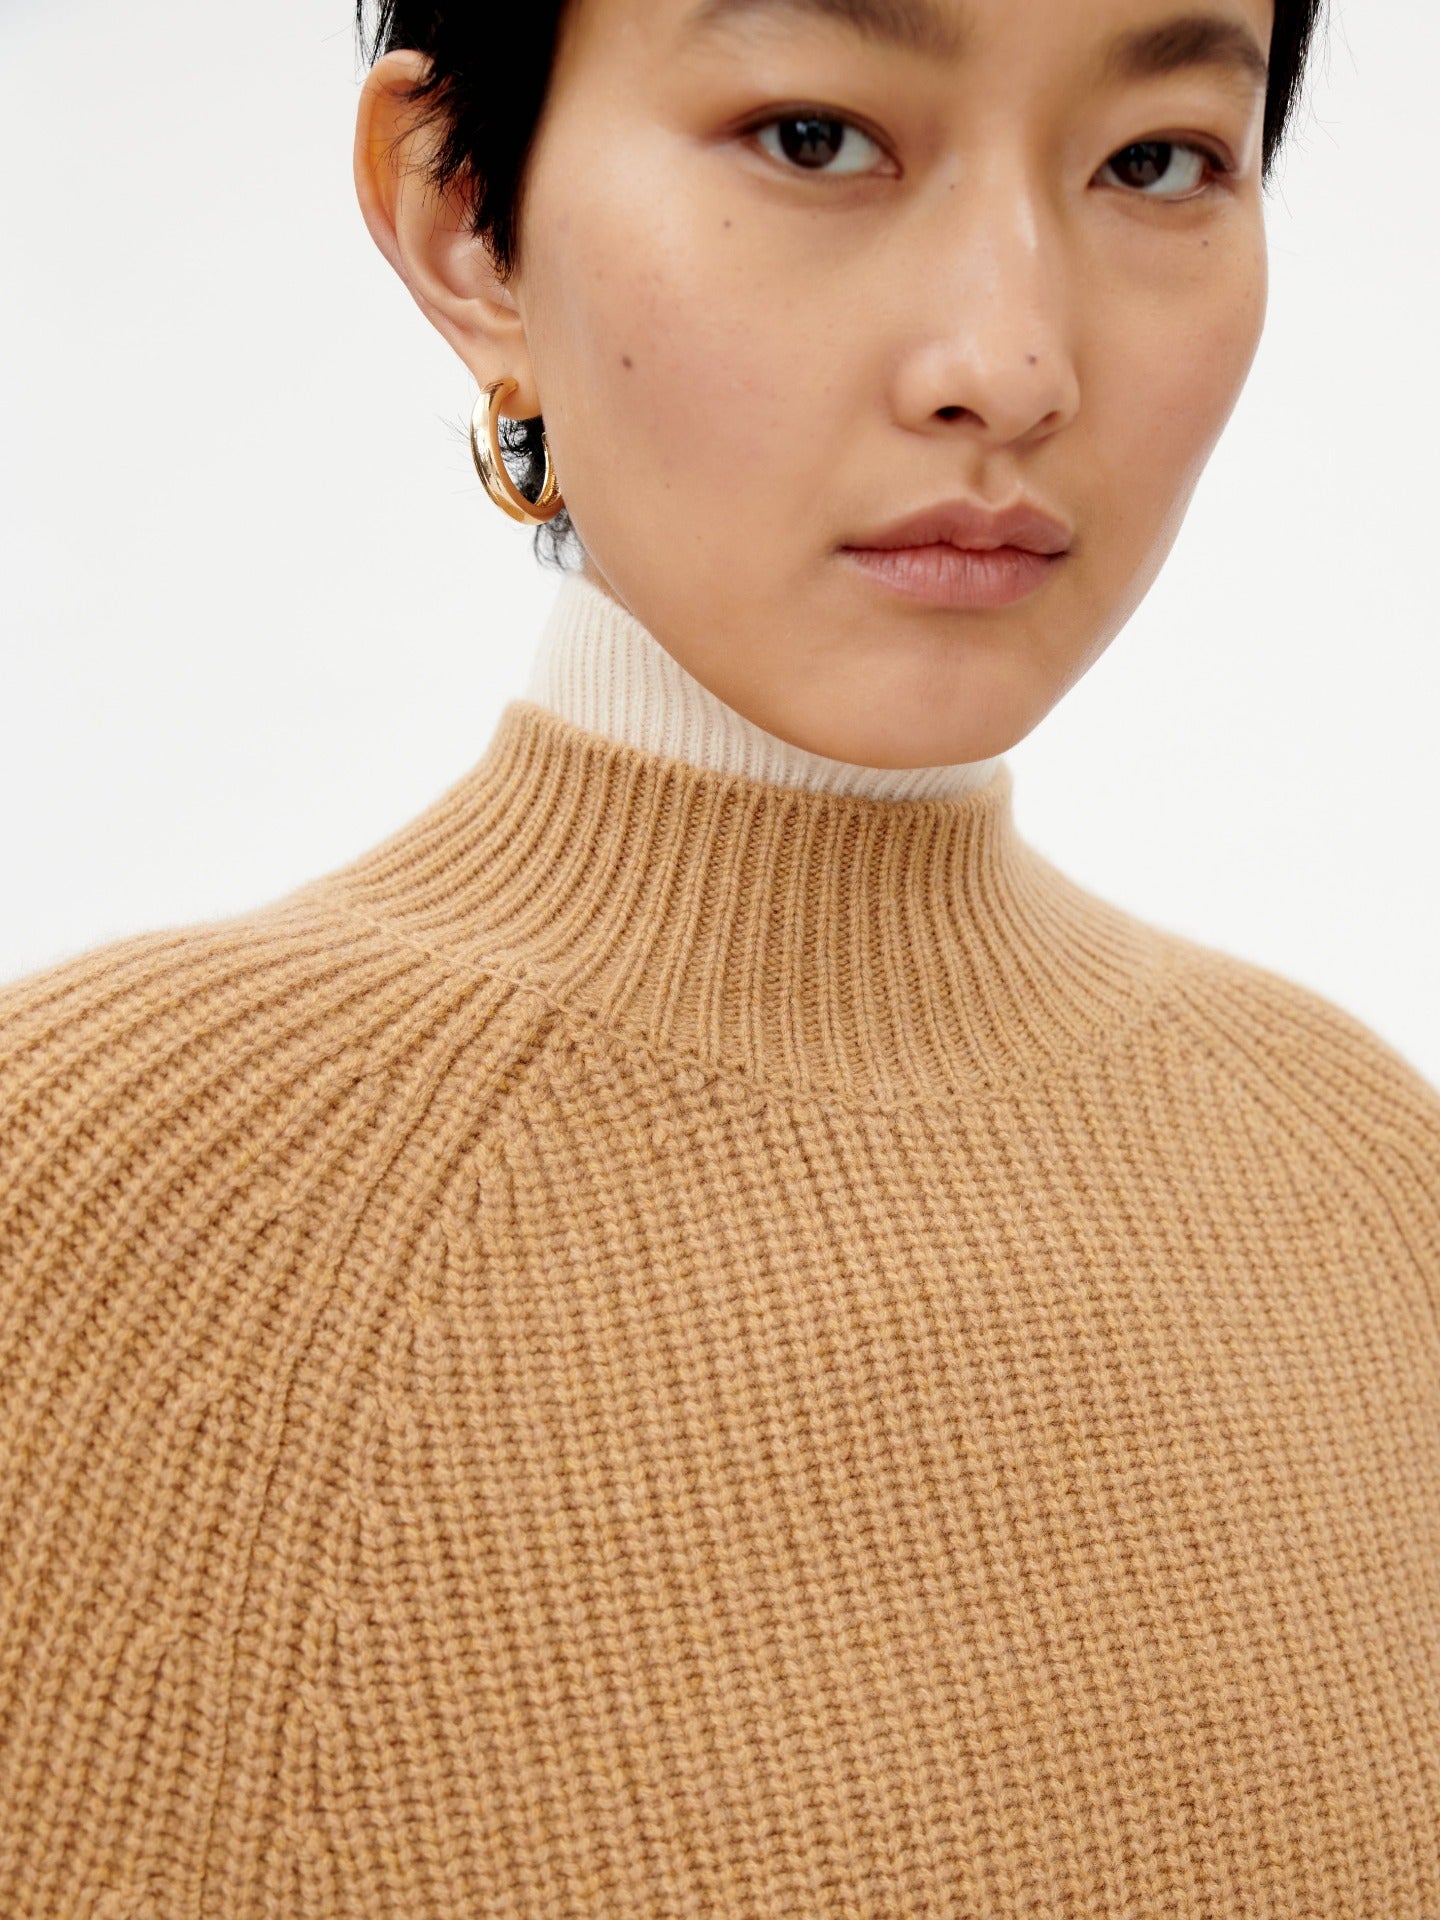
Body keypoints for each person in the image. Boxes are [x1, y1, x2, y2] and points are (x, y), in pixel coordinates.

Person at [2, 0, 1439, 1912]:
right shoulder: (85, 1212)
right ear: (464, 218)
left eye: (1156, 161)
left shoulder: (1368, 1177)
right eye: (816, 137)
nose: (1010, 364)